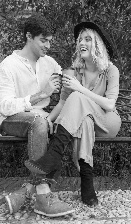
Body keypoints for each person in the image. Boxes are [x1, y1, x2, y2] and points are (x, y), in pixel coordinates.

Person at [25, 21, 121, 207]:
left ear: (97, 44)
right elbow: (63, 103)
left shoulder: (110, 69)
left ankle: (54, 154)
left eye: (87, 39)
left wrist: (79, 88)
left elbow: (110, 104)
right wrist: (47, 120)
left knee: (77, 97)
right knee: (83, 120)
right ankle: (87, 181)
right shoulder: (74, 71)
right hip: (84, 123)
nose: (81, 43)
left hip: (107, 122)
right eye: (80, 40)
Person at [0, 13, 74, 217]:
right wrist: (41, 95)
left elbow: (69, 87)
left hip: (42, 120)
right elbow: (5, 106)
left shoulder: (50, 63)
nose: (48, 45)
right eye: (43, 40)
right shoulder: (8, 65)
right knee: (38, 121)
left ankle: (27, 192)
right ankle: (42, 195)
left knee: (53, 126)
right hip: (13, 119)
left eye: (50, 41)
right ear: (29, 36)